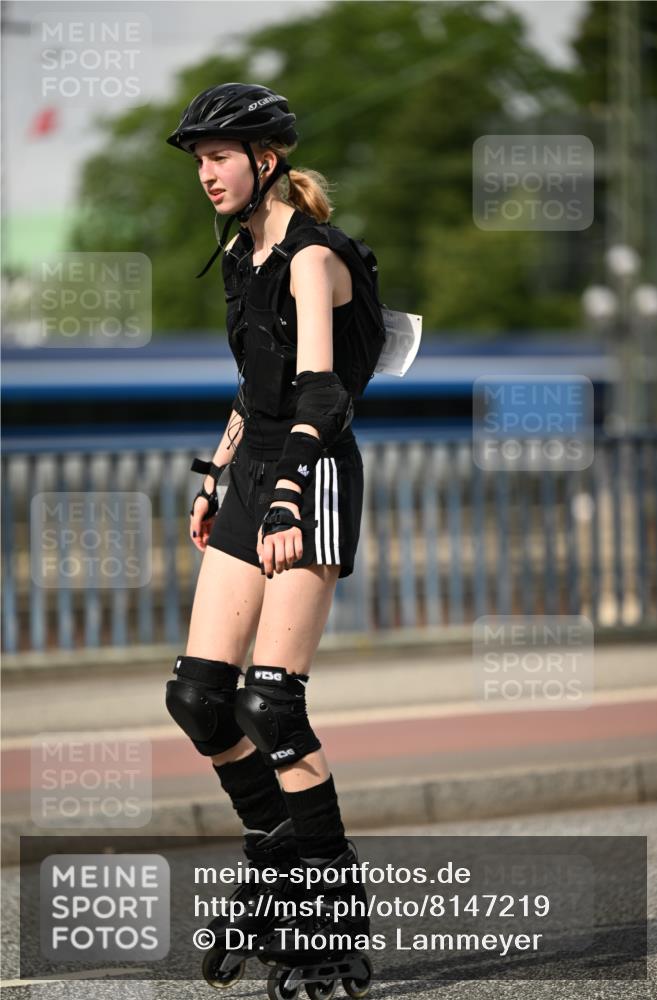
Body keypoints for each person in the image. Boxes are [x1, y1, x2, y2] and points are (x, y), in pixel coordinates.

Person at [165, 83, 372, 992]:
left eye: (219, 157)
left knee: (272, 706)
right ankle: (275, 860)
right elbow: (257, 388)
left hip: (309, 475)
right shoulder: (244, 254)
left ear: (266, 158)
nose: (206, 174)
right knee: (199, 700)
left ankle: (331, 915)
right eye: (199, 160)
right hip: (253, 475)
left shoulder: (312, 256)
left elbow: (321, 394)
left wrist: (285, 498)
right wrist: (216, 473)